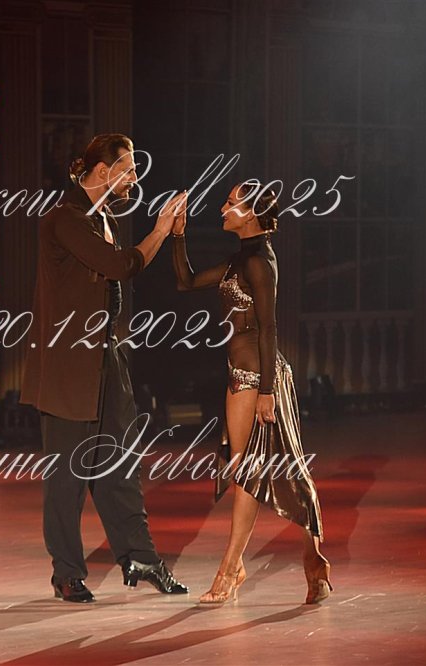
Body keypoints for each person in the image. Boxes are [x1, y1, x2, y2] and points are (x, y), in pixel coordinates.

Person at [21, 133, 188, 603]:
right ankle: (67, 573)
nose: (135, 178)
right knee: (67, 478)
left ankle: (141, 558)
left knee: (121, 465)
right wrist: (159, 230)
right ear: (102, 171)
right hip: (68, 365)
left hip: (105, 357)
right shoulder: (64, 218)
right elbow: (119, 266)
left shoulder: (102, 218)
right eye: (128, 169)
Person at [171, 180, 332, 604]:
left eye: (230, 203)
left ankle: (232, 568)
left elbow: (269, 327)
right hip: (239, 374)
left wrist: (266, 391)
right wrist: (178, 236)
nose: (222, 208)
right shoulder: (239, 259)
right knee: (267, 469)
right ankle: (312, 562)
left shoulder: (259, 263)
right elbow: (186, 281)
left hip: (258, 377)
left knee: (265, 470)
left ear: (251, 214)